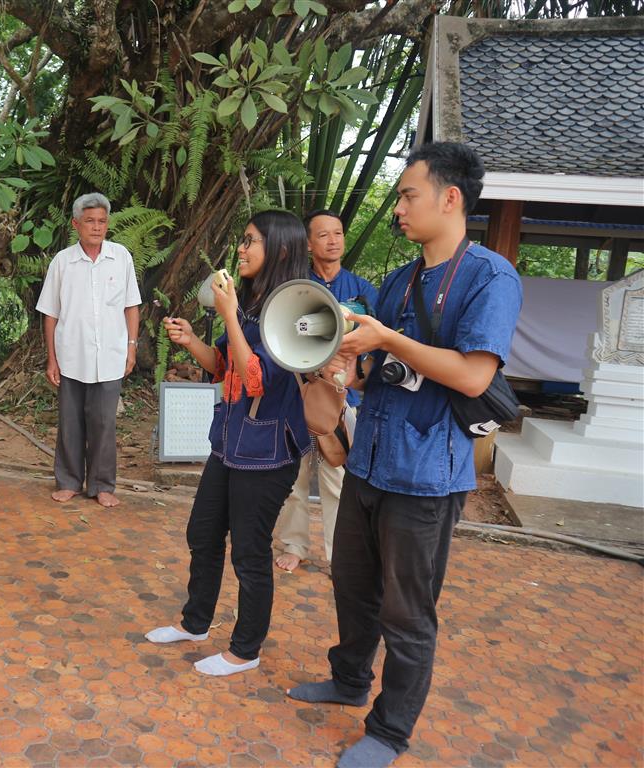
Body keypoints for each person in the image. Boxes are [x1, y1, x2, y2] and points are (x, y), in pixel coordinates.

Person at [286, 142, 522, 768]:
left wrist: (387, 337)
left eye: (407, 195)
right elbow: (375, 373)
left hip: (427, 475)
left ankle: (389, 732)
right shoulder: (399, 280)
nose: (398, 208)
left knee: (407, 610)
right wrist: (344, 365)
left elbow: (472, 376)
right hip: (369, 461)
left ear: (450, 197)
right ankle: (349, 681)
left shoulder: (490, 277)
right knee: (352, 585)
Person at [145, 210, 310, 676]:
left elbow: (256, 379)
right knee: (202, 533)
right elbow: (222, 366)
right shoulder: (251, 301)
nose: (240, 248)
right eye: (242, 239)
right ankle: (195, 623)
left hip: (268, 450)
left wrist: (230, 313)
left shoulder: (296, 309)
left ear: (280, 248)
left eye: (250, 240)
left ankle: (245, 649)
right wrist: (191, 340)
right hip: (230, 440)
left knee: (249, 552)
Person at [273, 210, 378, 572]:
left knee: (338, 479)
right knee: (294, 477)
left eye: (338, 233)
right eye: (323, 235)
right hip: (298, 395)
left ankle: (339, 555)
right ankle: (294, 544)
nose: (333, 241)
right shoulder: (295, 289)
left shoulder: (362, 290)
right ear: (307, 244)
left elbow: (377, 343)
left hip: (345, 400)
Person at [36, 192, 141, 508]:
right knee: (70, 423)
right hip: (71, 355)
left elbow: (131, 306)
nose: (97, 227)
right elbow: (50, 313)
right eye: (90, 221)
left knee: (104, 424)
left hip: (110, 356)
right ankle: (69, 481)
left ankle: (102, 485)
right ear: (76, 224)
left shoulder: (121, 257)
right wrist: (52, 358)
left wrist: (131, 347)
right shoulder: (62, 262)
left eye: (102, 221)